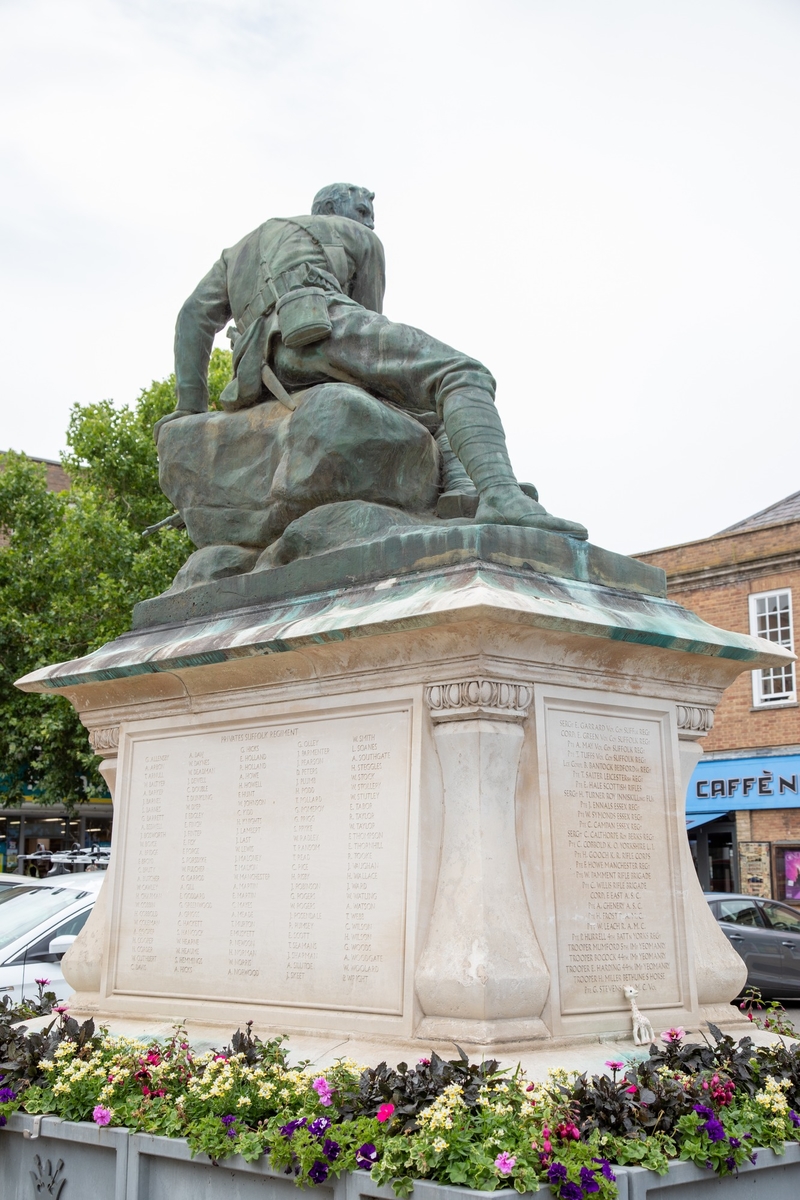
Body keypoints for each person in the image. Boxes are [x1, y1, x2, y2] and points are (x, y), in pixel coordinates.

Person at [158, 183, 587, 540]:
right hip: (324, 330)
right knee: (461, 374)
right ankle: (500, 494)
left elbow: (193, 318)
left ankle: (460, 486)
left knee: (423, 407)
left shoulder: (238, 251)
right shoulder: (354, 235)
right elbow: (366, 315)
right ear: (331, 209)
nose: (369, 220)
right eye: (362, 209)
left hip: (267, 369)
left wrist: (189, 409)